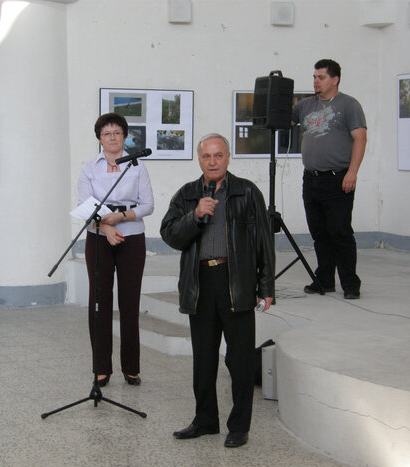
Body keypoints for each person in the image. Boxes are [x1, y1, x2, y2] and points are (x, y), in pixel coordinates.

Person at [160, 133, 274, 448]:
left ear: (227, 157)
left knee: (240, 360)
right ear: (200, 159)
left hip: (235, 281)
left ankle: (239, 426)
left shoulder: (247, 192)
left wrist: (267, 286)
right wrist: (195, 216)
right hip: (200, 283)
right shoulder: (187, 194)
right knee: (204, 359)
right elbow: (170, 235)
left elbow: (264, 241)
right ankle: (205, 420)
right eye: (207, 156)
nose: (213, 161)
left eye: (218, 155)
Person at [77, 112, 154, 387]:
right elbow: (86, 206)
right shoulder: (89, 168)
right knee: (99, 303)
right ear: (99, 138)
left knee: (129, 303)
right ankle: (101, 367)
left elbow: (147, 205)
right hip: (98, 238)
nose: (112, 138)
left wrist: (120, 219)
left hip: (131, 236)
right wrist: (106, 229)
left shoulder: (137, 167)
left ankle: (131, 367)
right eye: (107, 133)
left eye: (117, 133)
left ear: (125, 136)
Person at [292, 59, 367, 300]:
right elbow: (282, 119)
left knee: (340, 232)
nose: (315, 81)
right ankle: (324, 280)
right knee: (319, 233)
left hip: (338, 179)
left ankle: (350, 284)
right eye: (314, 77)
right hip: (311, 179)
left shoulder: (348, 105)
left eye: (320, 77)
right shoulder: (305, 105)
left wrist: (352, 172)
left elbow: (360, 138)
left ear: (334, 80)